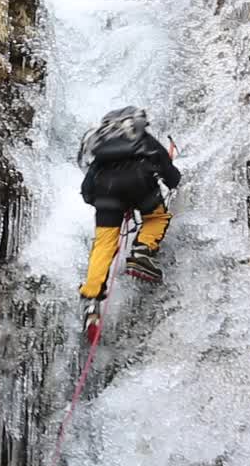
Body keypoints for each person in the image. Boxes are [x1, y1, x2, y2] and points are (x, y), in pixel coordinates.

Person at [77, 106, 181, 331]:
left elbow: (87, 189)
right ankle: (142, 251)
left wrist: (101, 202)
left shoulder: (101, 149)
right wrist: (172, 181)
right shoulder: (142, 138)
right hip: (140, 186)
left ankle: (92, 298)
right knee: (157, 217)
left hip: (105, 193)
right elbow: (166, 167)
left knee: (103, 245)